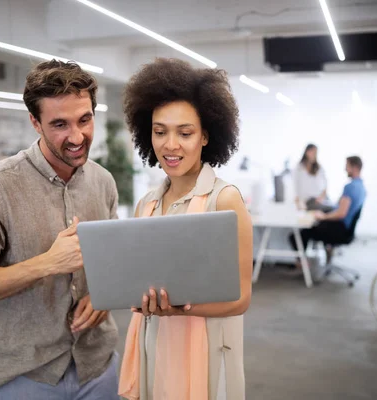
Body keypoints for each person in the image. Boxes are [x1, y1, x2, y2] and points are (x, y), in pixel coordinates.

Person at [0, 60, 119, 400]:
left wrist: (103, 295)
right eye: (59, 124)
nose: (76, 136)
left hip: (97, 365)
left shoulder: (102, 181)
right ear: (35, 123)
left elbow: (112, 259)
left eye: (84, 120)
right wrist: (48, 263)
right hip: (25, 378)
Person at [118, 58, 253, 400]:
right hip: (154, 341)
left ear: (206, 135)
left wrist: (180, 308)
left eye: (185, 132)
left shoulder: (224, 200)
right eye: (160, 131)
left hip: (205, 349)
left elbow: (240, 299)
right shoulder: (146, 204)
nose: (170, 145)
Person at [289, 156, 366, 263]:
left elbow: (341, 213)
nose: (345, 169)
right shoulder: (361, 187)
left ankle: (302, 265)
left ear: (355, 167)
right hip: (346, 230)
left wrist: (323, 216)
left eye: (347, 166)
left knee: (300, 234)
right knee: (315, 221)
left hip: (340, 229)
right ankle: (326, 252)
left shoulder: (350, 187)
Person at [293, 144, 330, 211]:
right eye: (313, 152)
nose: (314, 154)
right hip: (308, 201)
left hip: (319, 199)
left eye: (316, 153)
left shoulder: (319, 168)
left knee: (332, 207)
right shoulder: (299, 168)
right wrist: (298, 202)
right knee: (330, 209)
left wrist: (321, 197)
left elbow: (325, 184)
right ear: (307, 152)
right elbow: (295, 185)